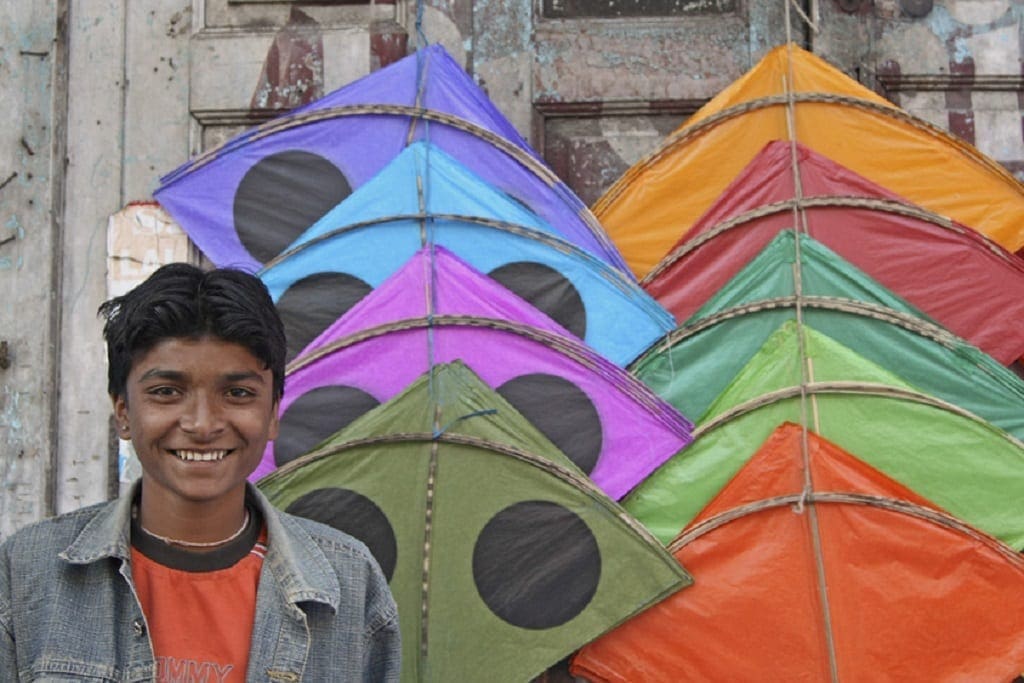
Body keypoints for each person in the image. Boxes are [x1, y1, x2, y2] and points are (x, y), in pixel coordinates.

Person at [0, 263, 401, 682]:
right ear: (123, 412)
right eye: (167, 392)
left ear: (272, 415)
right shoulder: (29, 572)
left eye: (237, 393)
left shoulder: (349, 583)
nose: (202, 424)